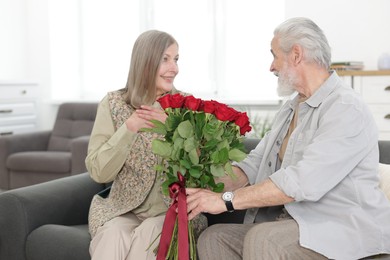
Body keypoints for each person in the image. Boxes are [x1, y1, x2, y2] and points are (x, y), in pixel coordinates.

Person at [186, 17, 390, 260]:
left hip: (339, 230)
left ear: (296, 54)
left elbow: (302, 181)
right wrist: (205, 187)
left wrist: (225, 201)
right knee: (215, 237)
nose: (271, 67)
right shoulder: (290, 109)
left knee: (263, 239)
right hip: (292, 226)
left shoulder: (346, 108)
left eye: (274, 56)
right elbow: (253, 165)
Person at [86, 30, 206, 260]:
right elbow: (98, 171)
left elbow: (201, 169)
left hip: (171, 212)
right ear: (145, 62)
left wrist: (173, 128)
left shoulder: (188, 106)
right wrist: (128, 129)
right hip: (123, 208)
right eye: (165, 59)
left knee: (148, 236)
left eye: (176, 59)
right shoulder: (113, 104)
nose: (175, 68)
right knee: (111, 236)